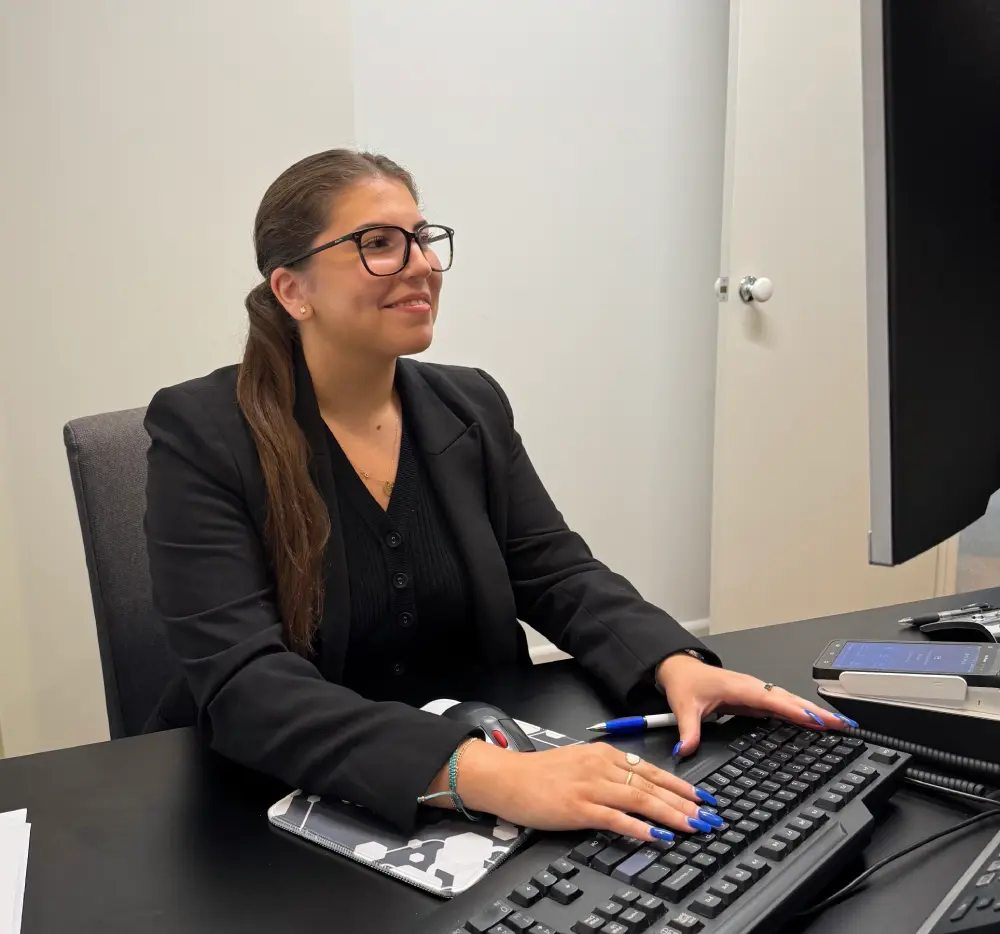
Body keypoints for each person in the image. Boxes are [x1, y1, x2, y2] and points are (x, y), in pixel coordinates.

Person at [144, 149, 854, 841]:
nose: (422, 265)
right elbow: (246, 686)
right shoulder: (201, 435)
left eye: (423, 241)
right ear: (292, 290)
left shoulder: (470, 405)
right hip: (274, 812)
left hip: (486, 777)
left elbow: (554, 569)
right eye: (380, 245)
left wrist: (674, 662)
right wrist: (489, 775)